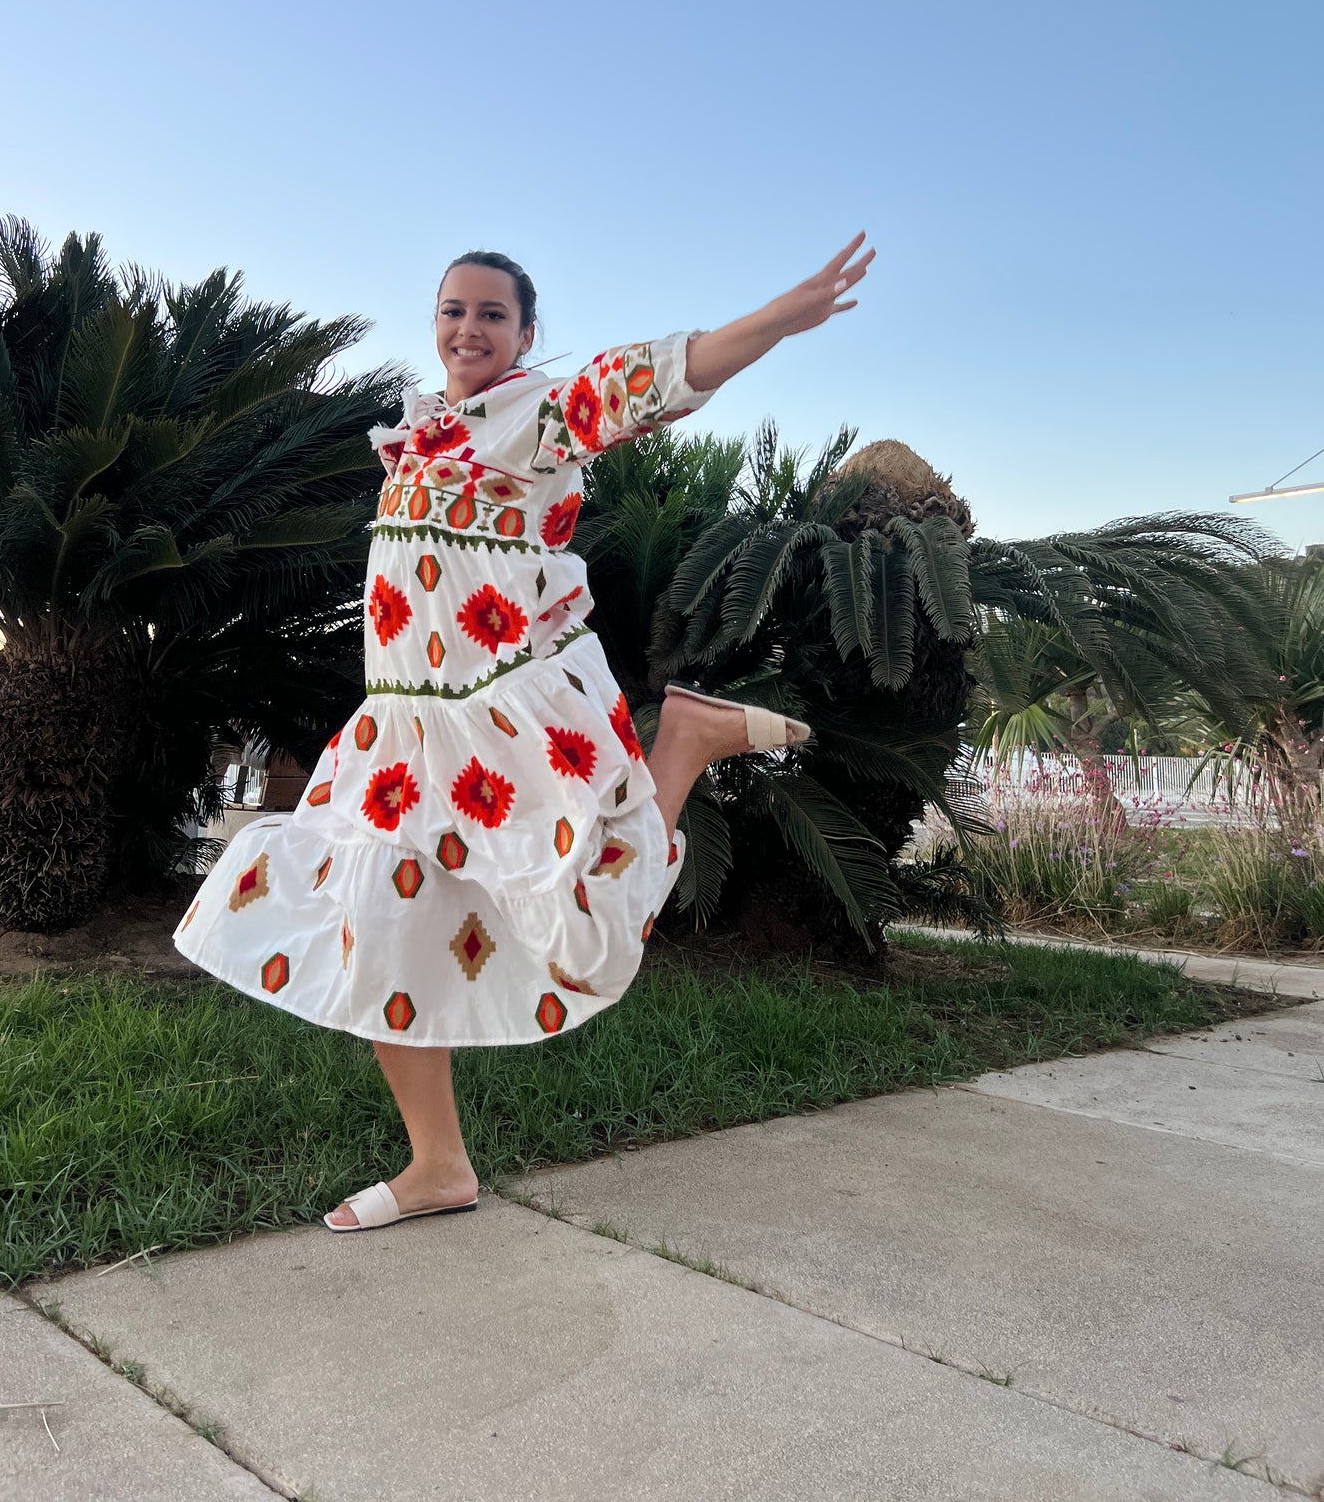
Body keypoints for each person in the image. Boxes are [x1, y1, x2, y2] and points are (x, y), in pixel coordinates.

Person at [174, 234, 875, 1230]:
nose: (470, 327)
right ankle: (438, 1165)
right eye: (454, 309)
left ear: (524, 333)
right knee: (380, 940)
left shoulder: (528, 419)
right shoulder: (419, 435)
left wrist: (770, 321)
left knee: (578, 930)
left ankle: (679, 747)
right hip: (394, 738)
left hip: (490, 726)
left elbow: (634, 384)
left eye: (493, 314)